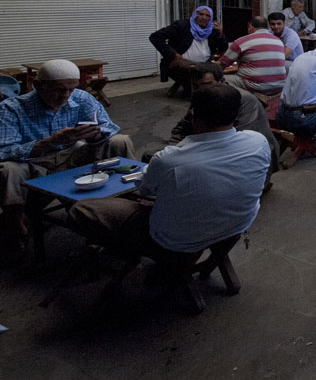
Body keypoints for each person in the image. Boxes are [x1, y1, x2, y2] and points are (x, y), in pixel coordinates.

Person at [67, 83, 269, 258]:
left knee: (82, 209)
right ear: (236, 115)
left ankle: (117, 252)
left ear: (193, 117)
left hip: (174, 240)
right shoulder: (258, 141)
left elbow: (143, 189)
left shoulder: (170, 159)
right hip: (236, 225)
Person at [0, 59, 136, 264]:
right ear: (38, 86)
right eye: (59, 89)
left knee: (119, 141)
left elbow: (108, 127)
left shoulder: (80, 98)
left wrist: (95, 134)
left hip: (72, 154)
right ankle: (15, 229)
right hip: (34, 162)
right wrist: (49, 142)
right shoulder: (11, 108)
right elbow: (4, 150)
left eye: (71, 89)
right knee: (8, 169)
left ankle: (128, 208)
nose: (65, 95)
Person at [162, 62, 279, 174]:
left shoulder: (243, 99)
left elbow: (239, 142)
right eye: (195, 86)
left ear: (222, 81)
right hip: (211, 151)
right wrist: (173, 152)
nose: (201, 90)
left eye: (207, 84)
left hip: (252, 156)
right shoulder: (200, 95)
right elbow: (182, 129)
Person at [149, 5, 228, 97]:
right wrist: (173, 54)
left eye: (207, 16)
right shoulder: (181, 26)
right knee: (196, 75)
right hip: (180, 64)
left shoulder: (211, 30)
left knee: (216, 71)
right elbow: (155, 37)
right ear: (195, 15)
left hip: (204, 64)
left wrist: (220, 34)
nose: (204, 17)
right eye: (201, 14)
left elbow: (223, 47)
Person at [219, 16, 288, 100]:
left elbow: (222, 64)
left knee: (220, 79)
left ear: (250, 26)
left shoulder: (242, 41)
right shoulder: (278, 41)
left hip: (256, 86)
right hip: (279, 86)